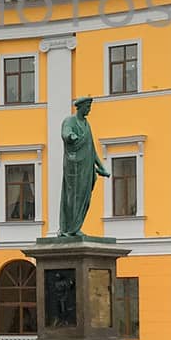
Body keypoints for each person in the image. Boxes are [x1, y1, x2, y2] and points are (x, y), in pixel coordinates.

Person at [57, 96, 110, 237]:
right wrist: (70, 136)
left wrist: (101, 167)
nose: (89, 110)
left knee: (84, 198)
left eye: (90, 108)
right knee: (73, 196)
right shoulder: (70, 121)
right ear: (80, 107)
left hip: (87, 166)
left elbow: (91, 149)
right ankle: (69, 229)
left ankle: (76, 226)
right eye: (87, 107)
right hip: (74, 166)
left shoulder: (87, 124)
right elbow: (65, 133)